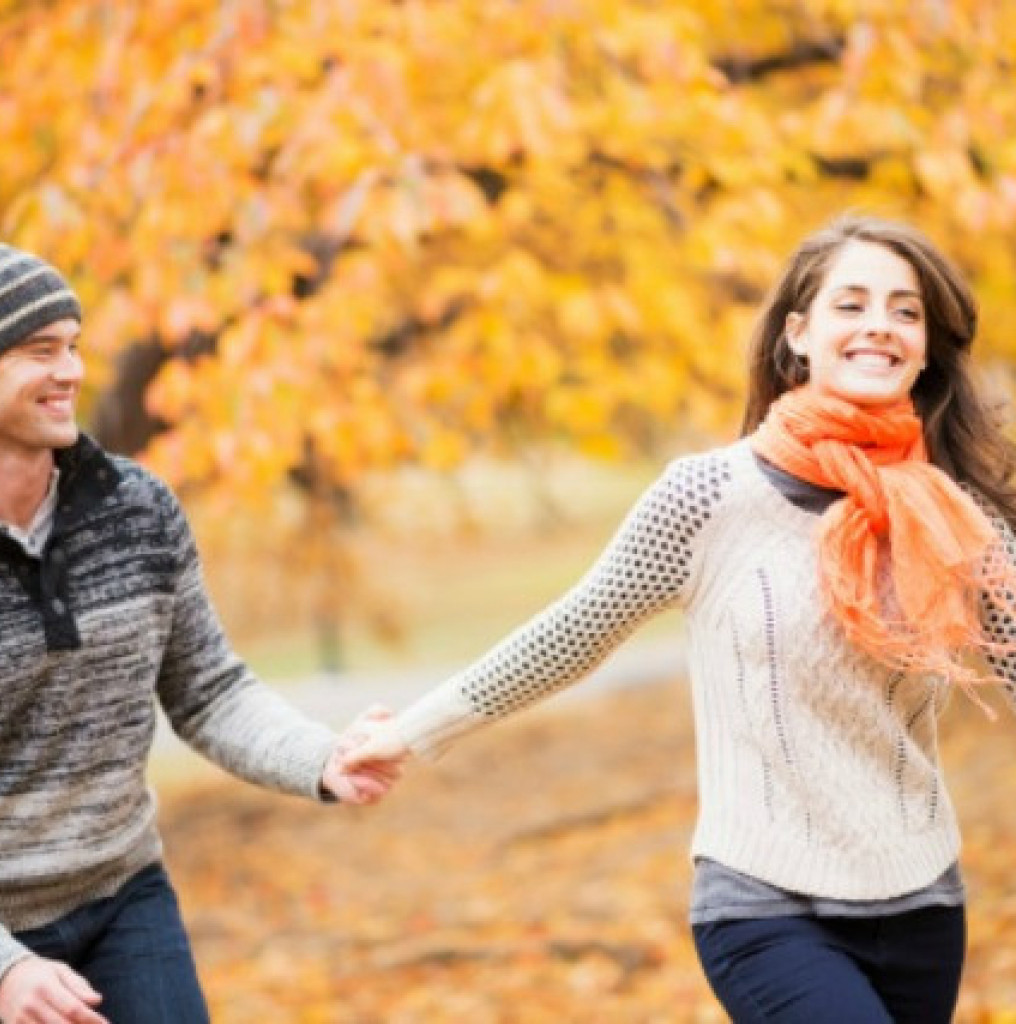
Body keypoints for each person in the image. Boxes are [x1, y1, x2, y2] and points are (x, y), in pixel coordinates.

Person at [340, 214, 1016, 1023]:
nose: (880, 325)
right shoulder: (708, 499)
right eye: (852, 304)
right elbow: (571, 634)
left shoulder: (954, 515)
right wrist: (411, 732)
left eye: (905, 311)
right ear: (799, 334)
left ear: (927, 347)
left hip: (922, 905)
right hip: (767, 910)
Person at [0, 243, 395, 1024]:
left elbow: (209, 691)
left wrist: (321, 758)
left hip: (121, 895)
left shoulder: (136, 510)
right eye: (40, 351)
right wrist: (2, 970)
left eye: (74, 346)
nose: (71, 371)